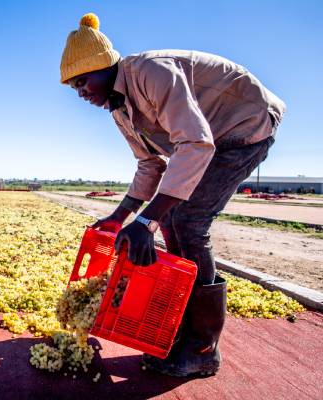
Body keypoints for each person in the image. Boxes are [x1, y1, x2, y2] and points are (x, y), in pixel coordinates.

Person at [60, 13, 285, 377]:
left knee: (189, 221)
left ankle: (202, 347)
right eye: (74, 87)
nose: (82, 92)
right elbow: (151, 164)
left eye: (83, 81)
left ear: (103, 67)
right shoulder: (120, 109)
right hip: (209, 136)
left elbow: (196, 142)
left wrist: (148, 219)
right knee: (172, 222)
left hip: (245, 125)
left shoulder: (151, 72)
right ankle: (179, 329)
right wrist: (122, 216)